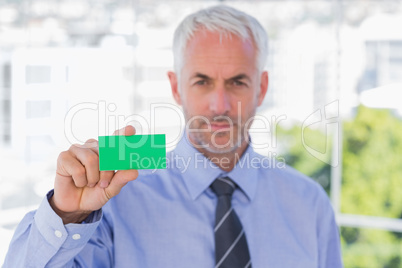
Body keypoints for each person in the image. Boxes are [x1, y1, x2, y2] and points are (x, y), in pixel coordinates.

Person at [3, 5, 343, 268]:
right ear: (176, 87)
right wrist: (65, 214)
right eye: (202, 81)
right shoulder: (116, 197)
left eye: (238, 82)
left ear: (262, 88)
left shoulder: (309, 204)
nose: (219, 105)